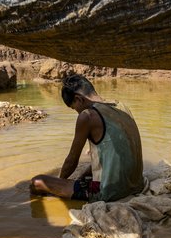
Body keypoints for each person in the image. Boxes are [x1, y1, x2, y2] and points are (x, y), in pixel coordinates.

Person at [31, 74, 144, 202]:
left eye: (74, 108)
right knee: (84, 172)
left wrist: (60, 182)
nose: (77, 112)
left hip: (110, 192)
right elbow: (117, 153)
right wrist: (82, 176)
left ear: (79, 99)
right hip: (137, 185)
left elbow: (72, 161)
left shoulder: (88, 115)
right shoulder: (121, 106)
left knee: (37, 182)